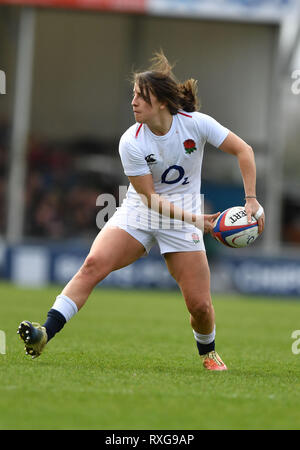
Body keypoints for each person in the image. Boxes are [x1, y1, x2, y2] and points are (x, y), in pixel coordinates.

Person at [17, 51, 265, 371]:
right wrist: (199, 220)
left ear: (161, 102)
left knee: (201, 306)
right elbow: (149, 198)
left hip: (183, 217)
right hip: (142, 210)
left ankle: (208, 353)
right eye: (133, 95)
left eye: (141, 96)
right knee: (93, 264)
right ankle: (43, 333)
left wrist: (251, 199)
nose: (133, 102)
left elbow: (243, 150)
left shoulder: (196, 125)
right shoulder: (131, 141)